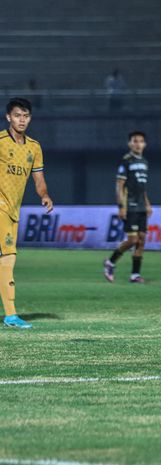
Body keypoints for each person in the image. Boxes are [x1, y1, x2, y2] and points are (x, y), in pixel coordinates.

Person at [0, 98, 53, 329]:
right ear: (8, 117)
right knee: (7, 258)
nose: (22, 120)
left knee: (7, 258)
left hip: (13, 210)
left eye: (26, 116)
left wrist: (44, 195)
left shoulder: (34, 147)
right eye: (17, 115)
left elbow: (38, 179)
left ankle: (10, 314)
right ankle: (11, 315)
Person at [103, 131, 152, 283]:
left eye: (141, 141)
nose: (138, 144)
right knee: (132, 239)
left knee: (141, 239)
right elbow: (119, 185)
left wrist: (148, 203)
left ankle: (135, 275)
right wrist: (121, 206)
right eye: (135, 141)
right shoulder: (126, 161)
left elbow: (142, 187)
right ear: (130, 144)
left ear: (145, 144)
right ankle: (110, 263)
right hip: (130, 205)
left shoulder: (144, 162)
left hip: (142, 206)